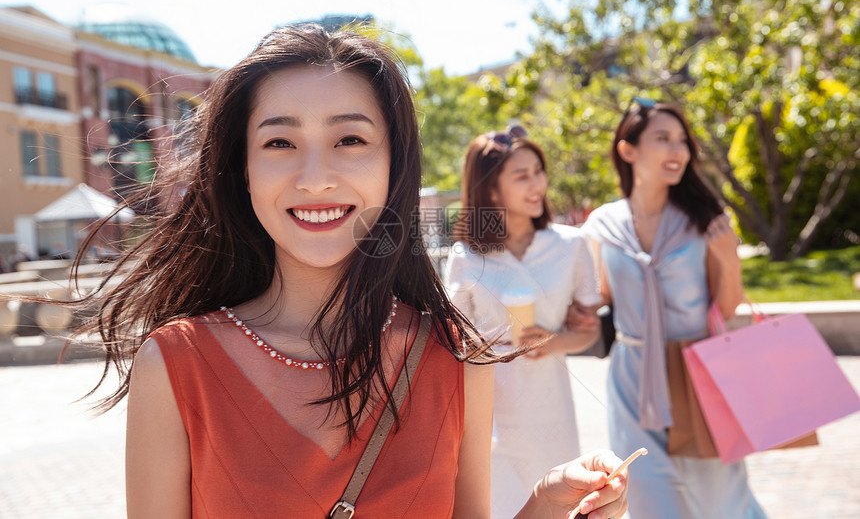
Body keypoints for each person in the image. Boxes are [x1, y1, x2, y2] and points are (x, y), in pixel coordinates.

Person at [64, 25, 628, 518]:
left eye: (350, 139)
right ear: (244, 170)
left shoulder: (456, 356)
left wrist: (546, 508)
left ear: (394, 164)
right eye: (280, 141)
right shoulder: (174, 365)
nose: (315, 178)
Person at [581, 98, 766, 518]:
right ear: (628, 150)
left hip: (699, 368)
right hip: (632, 377)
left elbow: (727, 305)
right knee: (648, 500)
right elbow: (600, 297)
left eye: (681, 140)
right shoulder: (602, 226)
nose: (677, 150)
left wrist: (728, 257)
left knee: (722, 499)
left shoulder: (703, 220)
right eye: (662, 139)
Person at [443, 127, 604, 518]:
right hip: (487, 415)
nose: (537, 184)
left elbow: (590, 331)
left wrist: (554, 341)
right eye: (521, 176)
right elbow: (450, 344)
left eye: (539, 171)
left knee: (561, 503)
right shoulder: (466, 256)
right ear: (491, 190)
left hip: (550, 409)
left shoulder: (571, 245)